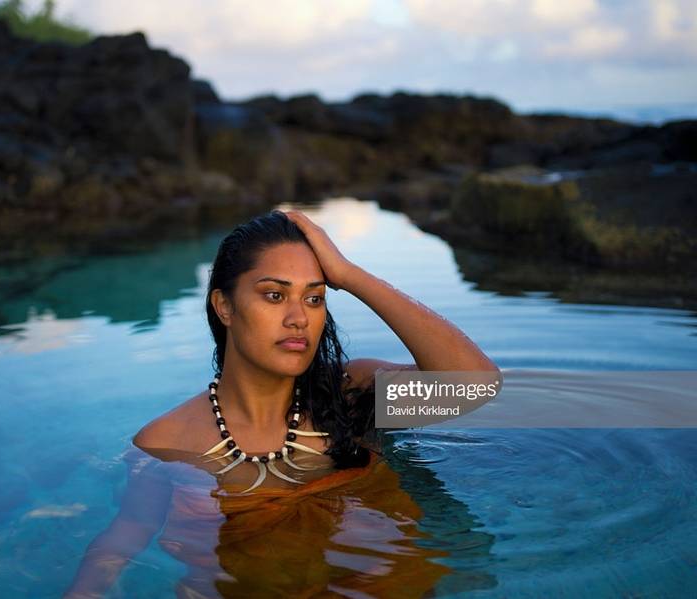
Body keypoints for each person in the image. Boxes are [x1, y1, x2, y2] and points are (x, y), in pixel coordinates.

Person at [63, 209, 499, 598]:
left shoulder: (351, 397)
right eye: (275, 295)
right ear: (225, 306)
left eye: (314, 298)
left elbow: (474, 387)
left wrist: (349, 276)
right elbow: (120, 545)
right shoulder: (164, 442)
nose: (299, 317)